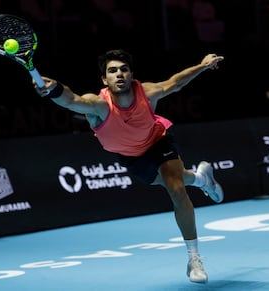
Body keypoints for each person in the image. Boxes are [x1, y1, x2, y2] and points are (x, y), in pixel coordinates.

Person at [34, 49, 224, 284]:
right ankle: (201, 179)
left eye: (123, 69)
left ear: (131, 74)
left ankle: (194, 259)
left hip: (157, 140)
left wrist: (203, 65)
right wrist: (54, 89)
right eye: (112, 71)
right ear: (105, 79)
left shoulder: (147, 92)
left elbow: (176, 82)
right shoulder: (99, 105)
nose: (119, 74)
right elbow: (72, 100)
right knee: (170, 181)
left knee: (175, 188)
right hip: (131, 157)